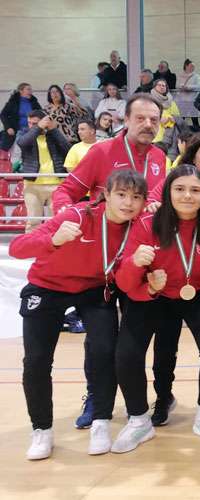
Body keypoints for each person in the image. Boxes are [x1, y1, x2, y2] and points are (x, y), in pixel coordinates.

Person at [10, 169, 147, 460]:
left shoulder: (137, 227)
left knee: (104, 350)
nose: (128, 203)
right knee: (36, 360)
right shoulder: (76, 216)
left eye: (136, 197)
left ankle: (101, 421)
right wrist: (54, 240)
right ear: (106, 195)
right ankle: (42, 430)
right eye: (121, 195)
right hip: (47, 286)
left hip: (95, 290)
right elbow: (16, 248)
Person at [111, 165, 200, 453]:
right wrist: (136, 263)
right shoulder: (146, 222)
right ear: (167, 191)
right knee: (126, 352)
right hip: (154, 293)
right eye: (179, 189)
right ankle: (139, 421)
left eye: (195, 190)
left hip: (196, 295)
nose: (187, 195)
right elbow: (125, 284)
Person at [53, 94, 167, 213]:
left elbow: (157, 198)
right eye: (140, 118)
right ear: (126, 120)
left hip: (144, 230)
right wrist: (66, 214)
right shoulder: (102, 151)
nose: (148, 125)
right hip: (105, 230)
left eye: (154, 120)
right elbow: (65, 191)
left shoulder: (159, 156)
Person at [18, 111, 71, 232]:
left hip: (57, 184)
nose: (32, 126)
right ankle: (31, 247)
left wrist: (54, 130)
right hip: (32, 185)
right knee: (33, 221)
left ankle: (58, 248)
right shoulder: (25, 134)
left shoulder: (53, 135)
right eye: (30, 123)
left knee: (58, 219)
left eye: (35, 123)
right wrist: (38, 127)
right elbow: (22, 143)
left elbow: (68, 150)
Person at [1, 83, 42, 151]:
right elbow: (3, 115)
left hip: (32, 131)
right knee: (17, 152)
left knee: (33, 151)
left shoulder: (34, 102)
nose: (31, 91)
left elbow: (41, 114)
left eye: (31, 90)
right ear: (21, 91)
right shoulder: (13, 102)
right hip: (17, 131)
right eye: (28, 89)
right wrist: (8, 127)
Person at [150, 79, 182, 151]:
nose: (162, 87)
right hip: (154, 136)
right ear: (154, 87)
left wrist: (171, 119)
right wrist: (158, 119)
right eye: (159, 85)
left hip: (168, 136)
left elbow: (178, 117)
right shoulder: (150, 100)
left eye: (164, 86)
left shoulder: (171, 102)